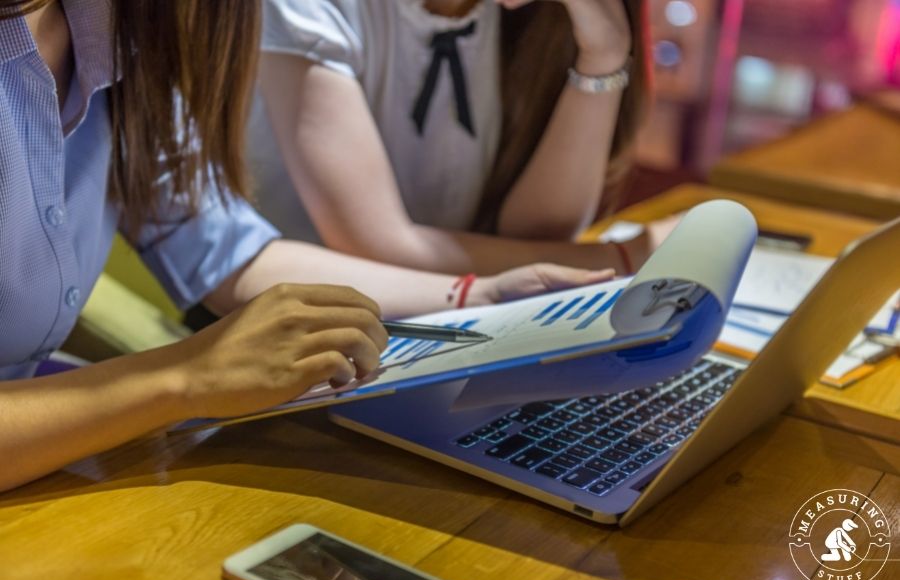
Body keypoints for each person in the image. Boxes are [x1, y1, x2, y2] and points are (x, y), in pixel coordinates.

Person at [0, 0, 614, 492]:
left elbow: (227, 250)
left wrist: (478, 295)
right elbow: (375, 234)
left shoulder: (123, 28)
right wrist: (187, 374)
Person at [251, 0, 673, 276]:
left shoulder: (533, 16)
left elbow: (537, 237)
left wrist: (603, 53)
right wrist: (624, 259)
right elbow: (375, 246)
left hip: (457, 325)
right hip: (291, 343)